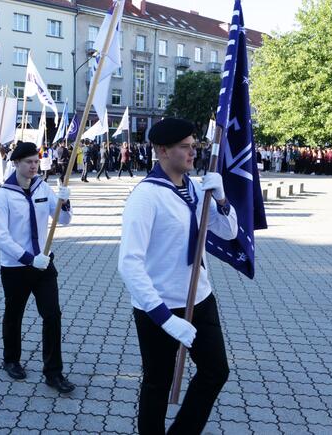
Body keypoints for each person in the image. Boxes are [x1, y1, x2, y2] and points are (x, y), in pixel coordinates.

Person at [118, 118, 238, 434]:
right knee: (158, 383)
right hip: (158, 307)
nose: (192, 152)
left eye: (194, 145)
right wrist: (165, 319)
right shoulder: (145, 197)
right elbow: (129, 264)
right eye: (184, 147)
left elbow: (228, 232)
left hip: (199, 297)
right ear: (162, 150)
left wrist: (223, 200)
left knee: (215, 371)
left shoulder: (197, 190)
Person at [0, 142, 76, 393]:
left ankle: (53, 372)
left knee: (52, 315)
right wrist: (28, 258)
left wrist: (65, 202)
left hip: (44, 265)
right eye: (28, 162)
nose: (33, 166)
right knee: (14, 313)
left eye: (36, 162)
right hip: (16, 266)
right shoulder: (4, 194)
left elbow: (65, 220)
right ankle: (11, 359)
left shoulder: (43, 187)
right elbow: (0, 236)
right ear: (16, 163)